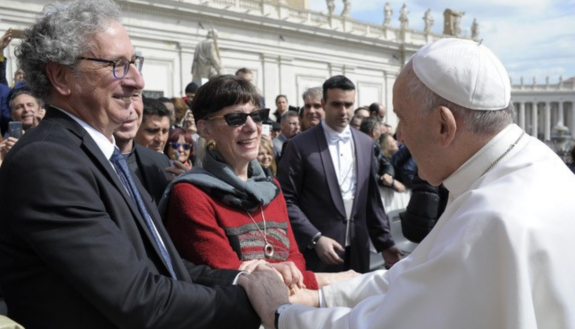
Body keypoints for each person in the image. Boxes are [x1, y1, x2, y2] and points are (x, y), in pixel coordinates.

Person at [238, 38, 575, 329]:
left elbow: (385, 323)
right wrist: (319, 295)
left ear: (444, 126)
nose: (398, 134)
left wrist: (280, 312)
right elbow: (416, 275)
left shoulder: (491, 217)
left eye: (403, 117)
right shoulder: (534, 166)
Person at [0, 1, 263, 327]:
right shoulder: (47, 162)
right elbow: (139, 298)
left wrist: (244, 279)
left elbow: (161, 265)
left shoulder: (104, 155)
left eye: (134, 62)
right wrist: (261, 305)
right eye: (117, 64)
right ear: (61, 76)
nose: (137, 80)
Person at [161, 75, 356, 294]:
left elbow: (295, 259)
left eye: (257, 116)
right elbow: (230, 277)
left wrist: (281, 274)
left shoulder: (271, 186)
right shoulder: (191, 194)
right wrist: (324, 281)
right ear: (205, 130)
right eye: (236, 118)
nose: (252, 127)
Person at [278, 75, 401, 274]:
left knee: (357, 304)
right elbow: (285, 199)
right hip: (317, 253)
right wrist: (315, 238)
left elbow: (371, 197)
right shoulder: (299, 146)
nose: (344, 111)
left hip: (359, 250)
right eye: (336, 104)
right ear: (324, 104)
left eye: (348, 104)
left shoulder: (365, 143)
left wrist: (385, 243)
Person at [113, 92, 180, 205]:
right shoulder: (112, 160)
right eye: (152, 131)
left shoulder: (164, 162)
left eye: (165, 131)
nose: (160, 139)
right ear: (134, 125)